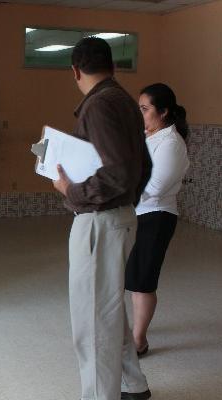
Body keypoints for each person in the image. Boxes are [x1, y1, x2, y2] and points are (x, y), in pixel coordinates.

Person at [52, 38, 153, 400]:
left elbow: (118, 172)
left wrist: (70, 189)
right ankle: (133, 386)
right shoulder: (125, 101)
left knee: (93, 323)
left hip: (100, 222)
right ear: (112, 65)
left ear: (76, 70)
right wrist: (126, 204)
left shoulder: (97, 106)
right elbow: (143, 167)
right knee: (108, 311)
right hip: (119, 217)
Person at [125, 83, 190, 356]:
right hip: (136, 213)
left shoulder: (171, 144)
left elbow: (155, 188)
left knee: (143, 280)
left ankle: (139, 341)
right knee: (133, 275)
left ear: (163, 112)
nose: (140, 114)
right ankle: (136, 327)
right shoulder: (147, 136)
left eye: (144, 109)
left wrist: (121, 192)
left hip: (156, 217)